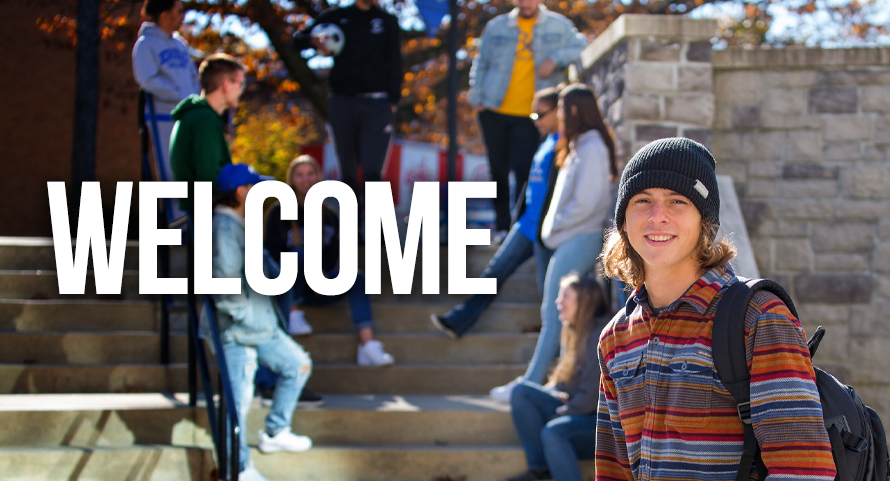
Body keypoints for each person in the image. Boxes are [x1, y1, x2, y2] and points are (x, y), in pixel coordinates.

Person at [595, 137, 836, 481]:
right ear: (623, 222)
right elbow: (612, 472)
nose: (657, 216)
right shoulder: (615, 339)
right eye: (642, 200)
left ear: (704, 223)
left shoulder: (758, 317)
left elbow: (803, 470)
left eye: (677, 201)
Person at [490, 84, 617, 403]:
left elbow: (588, 204)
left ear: (574, 109)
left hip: (579, 237)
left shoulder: (592, 147)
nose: (558, 114)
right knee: (560, 312)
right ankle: (550, 380)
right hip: (568, 238)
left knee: (555, 311)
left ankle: (531, 384)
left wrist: (553, 230)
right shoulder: (579, 146)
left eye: (562, 107)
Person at [205, 163, 314, 481]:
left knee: (298, 364)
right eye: (255, 188)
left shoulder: (240, 224)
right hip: (236, 331)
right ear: (241, 193)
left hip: (259, 325)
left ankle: (276, 430)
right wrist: (249, 317)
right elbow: (224, 286)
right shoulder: (223, 229)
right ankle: (238, 469)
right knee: (236, 402)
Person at [431, 87, 560, 338]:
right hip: (525, 226)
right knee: (494, 272)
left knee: (549, 291)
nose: (535, 121)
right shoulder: (545, 141)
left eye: (540, 115)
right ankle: (459, 320)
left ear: (558, 111)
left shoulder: (566, 143)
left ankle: (553, 344)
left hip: (548, 230)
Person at [468, 0, 586, 240]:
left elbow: (581, 47)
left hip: (532, 114)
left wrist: (555, 58)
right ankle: (502, 226)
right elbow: (481, 64)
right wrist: (477, 97)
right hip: (494, 108)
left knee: (525, 169)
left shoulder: (558, 25)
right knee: (497, 169)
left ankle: (518, 226)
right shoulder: (496, 27)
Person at [265, 155, 395, 367]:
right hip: (287, 289)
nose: (305, 179)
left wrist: (322, 275)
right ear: (292, 179)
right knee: (299, 255)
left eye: (310, 173)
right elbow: (271, 257)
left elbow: (333, 256)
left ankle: (368, 345)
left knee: (356, 277)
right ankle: (294, 314)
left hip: (318, 287)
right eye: (299, 175)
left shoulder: (330, 214)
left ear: (318, 177)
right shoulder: (279, 212)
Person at [291, 0, 402, 233]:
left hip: (377, 104)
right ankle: (350, 229)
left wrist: (392, 100)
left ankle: (374, 229)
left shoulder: (387, 21)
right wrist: (313, 40)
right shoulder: (336, 17)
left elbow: (396, 62)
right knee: (348, 171)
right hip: (342, 102)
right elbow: (296, 41)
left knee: (372, 170)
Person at [505, 272, 609, 481]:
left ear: (584, 302)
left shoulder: (599, 337)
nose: (558, 302)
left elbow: (589, 400)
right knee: (521, 392)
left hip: (600, 426)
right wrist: (556, 394)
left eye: (565, 297)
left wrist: (560, 412)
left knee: (553, 432)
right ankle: (541, 469)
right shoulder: (573, 331)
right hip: (577, 410)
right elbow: (564, 383)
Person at [132, 0, 201, 189]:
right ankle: (177, 218)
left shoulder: (180, 44)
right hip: (163, 118)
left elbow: (193, 77)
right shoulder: (146, 44)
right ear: (164, 15)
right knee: (174, 174)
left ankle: (196, 216)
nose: (182, 16)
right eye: (178, 11)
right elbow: (147, 79)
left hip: (188, 117)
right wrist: (180, 95)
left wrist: (195, 100)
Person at [169, 53, 245, 211]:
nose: (241, 91)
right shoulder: (204, 120)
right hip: (205, 212)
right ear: (226, 85)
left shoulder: (196, 115)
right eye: (240, 83)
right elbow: (209, 178)